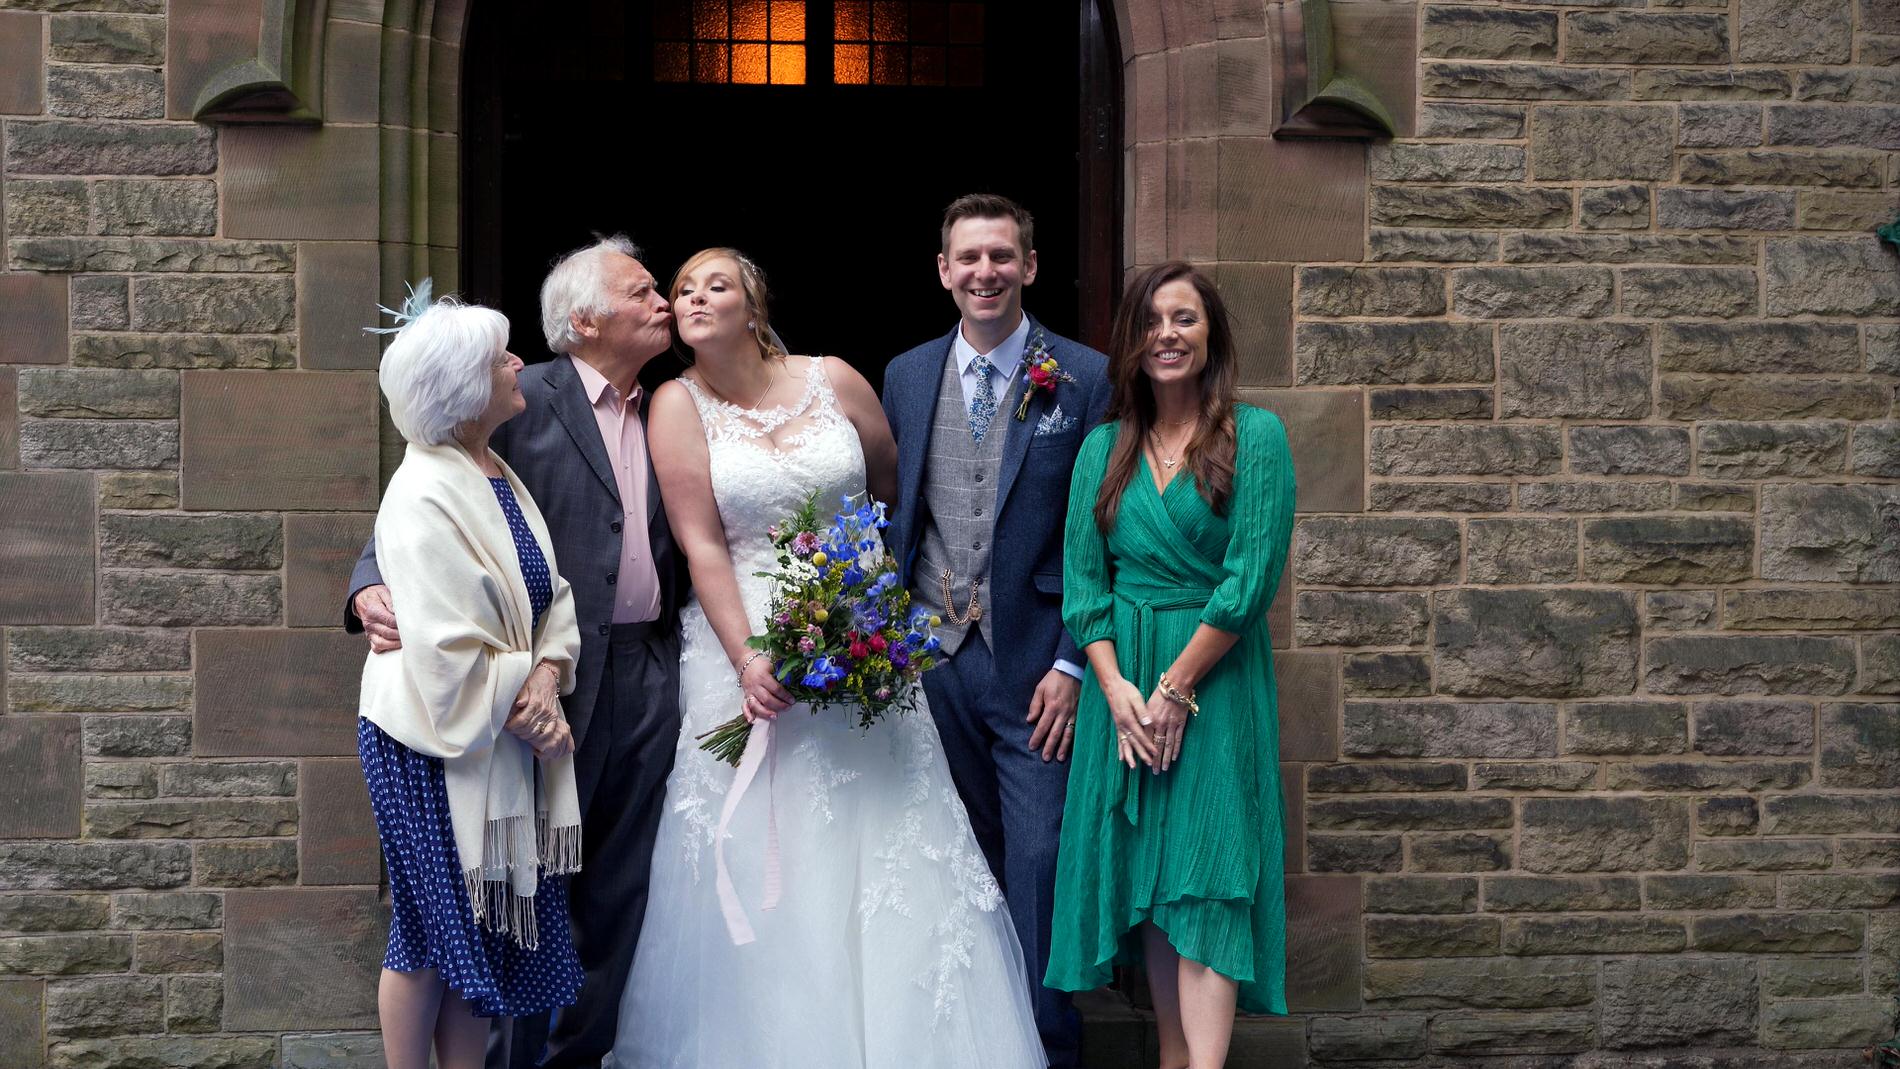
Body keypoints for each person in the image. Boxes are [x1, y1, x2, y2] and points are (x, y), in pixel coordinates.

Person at [612, 248, 1044, 1068]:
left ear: (755, 302)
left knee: (885, 833)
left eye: (717, 284)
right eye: (682, 290)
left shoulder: (833, 378)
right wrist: (749, 659)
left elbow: (888, 485)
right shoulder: (676, 403)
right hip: (745, 650)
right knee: (767, 850)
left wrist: (858, 599)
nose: (695, 298)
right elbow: (702, 541)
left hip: (860, 642)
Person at [347, 236, 690, 1069]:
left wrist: (546, 662)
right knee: (504, 901)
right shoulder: (526, 401)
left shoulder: (681, 406)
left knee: (614, 892)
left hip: (640, 672)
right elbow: (409, 521)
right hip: (516, 711)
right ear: (587, 316)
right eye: (644, 290)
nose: (666, 303)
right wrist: (365, 587)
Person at [1046, 262, 1296, 1069]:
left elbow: (1250, 577)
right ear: (1130, 341)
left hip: (1210, 683)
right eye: (1151, 321)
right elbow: (1085, 588)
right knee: (1153, 878)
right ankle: (1174, 1057)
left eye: (1184, 318)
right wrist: (1117, 691)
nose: (1167, 335)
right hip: (1122, 690)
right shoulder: (1101, 451)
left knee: (1210, 872)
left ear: (1211, 331)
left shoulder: (1256, 436)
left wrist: (1175, 689)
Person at [880, 193, 1110, 1069]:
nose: (986, 273)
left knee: (1040, 858)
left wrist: (1074, 662)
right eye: (968, 258)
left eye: (1002, 257)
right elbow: (902, 512)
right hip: (933, 663)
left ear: (1031, 266)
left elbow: (1102, 530)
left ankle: (1048, 1045)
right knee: (955, 859)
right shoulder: (906, 372)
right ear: (943, 270)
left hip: (1038, 668)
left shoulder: (1083, 376)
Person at [355, 294, 585, 1069]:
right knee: (426, 929)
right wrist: (533, 708)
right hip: (425, 735)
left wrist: (548, 674)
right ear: (460, 390)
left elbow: (547, 594)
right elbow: (447, 645)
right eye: (501, 359)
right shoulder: (422, 492)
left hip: (497, 725)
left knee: (475, 927)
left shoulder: (493, 470)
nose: (519, 363)